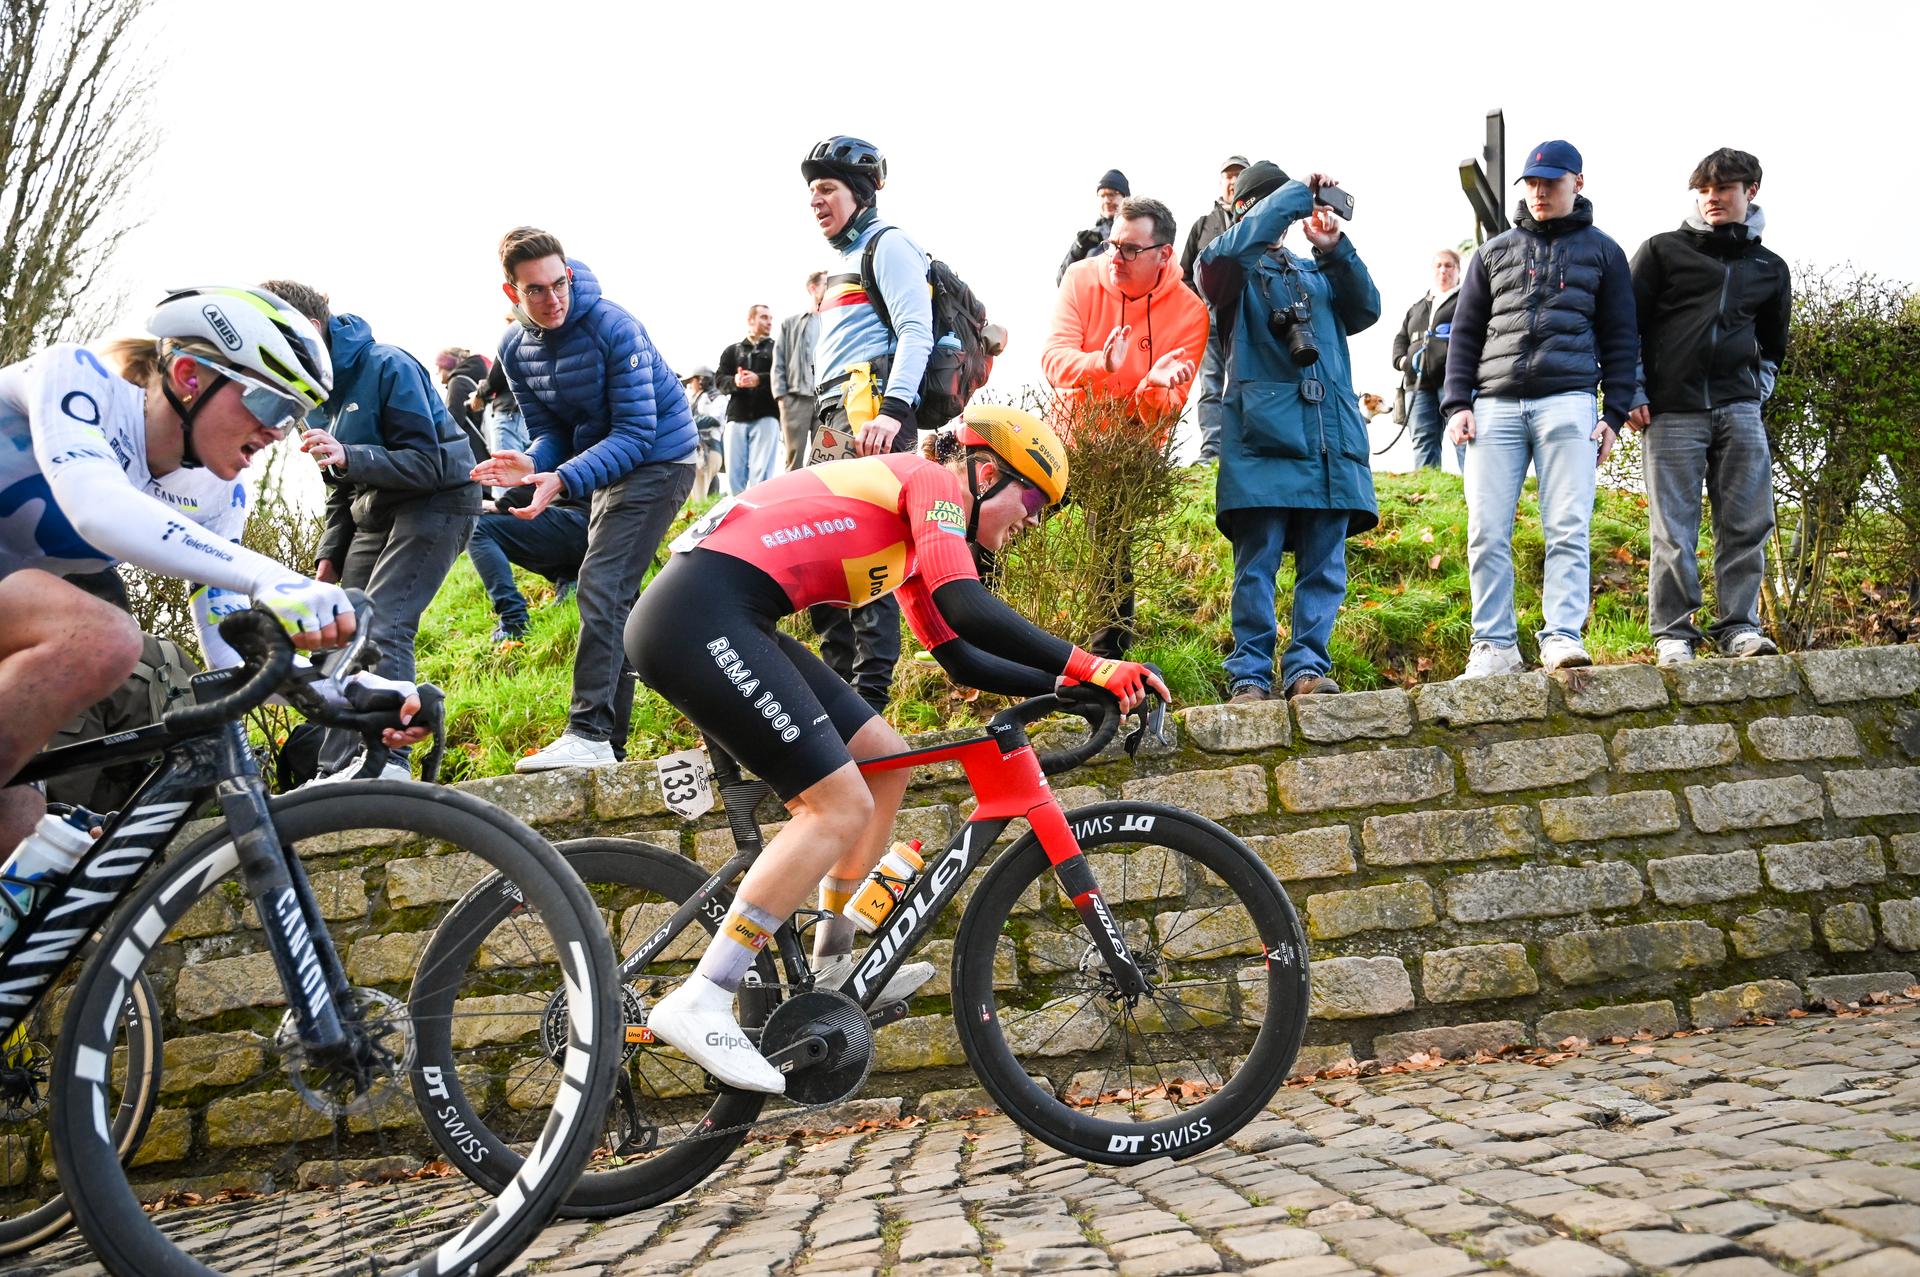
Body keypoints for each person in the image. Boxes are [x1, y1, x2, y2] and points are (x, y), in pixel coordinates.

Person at [627, 404, 1167, 1091]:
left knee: (882, 758)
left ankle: (833, 962)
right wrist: (1092, 665)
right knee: (836, 805)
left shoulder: (910, 539)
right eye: (1032, 499)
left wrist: (1070, 685)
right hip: (700, 617)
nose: (1033, 520)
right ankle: (705, 993)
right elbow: (967, 603)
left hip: (726, 613)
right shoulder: (931, 482)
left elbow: (962, 658)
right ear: (985, 472)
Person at [0, 285, 424, 856]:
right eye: (273, 405)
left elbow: (230, 651)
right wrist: (269, 576)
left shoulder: (218, 494)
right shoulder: (76, 377)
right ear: (188, 375)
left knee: (19, 819)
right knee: (101, 639)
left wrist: (352, 692)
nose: (279, 433)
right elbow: (96, 505)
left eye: (296, 415)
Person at [477, 227, 697, 771]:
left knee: (601, 584)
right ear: (512, 294)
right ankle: (607, 745)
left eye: (560, 283)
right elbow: (554, 431)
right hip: (605, 464)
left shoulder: (613, 328)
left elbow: (636, 435)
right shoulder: (513, 349)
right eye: (536, 290)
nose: (553, 299)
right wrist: (534, 463)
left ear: (569, 274)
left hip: (660, 459)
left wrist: (562, 479)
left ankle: (590, 732)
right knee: (612, 592)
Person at [265, 280, 480, 782]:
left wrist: (351, 454)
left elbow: (430, 464)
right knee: (342, 632)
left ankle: (389, 764)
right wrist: (328, 557)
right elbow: (337, 488)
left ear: (309, 330)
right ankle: (336, 767)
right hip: (370, 510)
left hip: (438, 499)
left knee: (384, 624)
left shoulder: (388, 365)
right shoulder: (309, 395)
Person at [1441, 140, 1638, 679]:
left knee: (1568, 527)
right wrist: (1457, 403)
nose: (1539, 191)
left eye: (1550, 182)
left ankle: (1562, 637)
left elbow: (1623, 338)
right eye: (1531, 182)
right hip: (1494, 406)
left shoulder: (1605, 253)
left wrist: (1614, 414)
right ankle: (1494, 645)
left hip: (1569, 402)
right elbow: (1465, 333)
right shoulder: (1493, 252)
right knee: (1485, 530)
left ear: (1578, 182)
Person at [1198, 163, 1381, 703]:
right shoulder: (1230, 272)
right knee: (1257, 564)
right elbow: (1225, 255)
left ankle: (1307, 668)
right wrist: (1293, 195)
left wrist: (1333, 247)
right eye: (1274, 204)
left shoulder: (1313, 273)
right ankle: (1249, 674)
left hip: (1328, 437)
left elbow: (1366, 307)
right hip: (1263, 439)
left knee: (1324, 565)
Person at [1628, 147, 1790, 667]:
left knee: (1747, 522)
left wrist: (1754, 393)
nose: (1712, 198)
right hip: (1671, 412)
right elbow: (1625, 326)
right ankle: (1673, 633)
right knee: (1672, 528)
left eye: (1723, 188)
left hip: (1738, 411)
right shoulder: (1662, 251)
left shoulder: (1769, 267)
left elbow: (1773, 346)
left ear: (1751, 192)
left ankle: (1740, 627)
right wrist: (1631, 390)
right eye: (1703, 190)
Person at [1041, 195, 1208, 655]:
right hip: (1066, 437)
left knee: (1110, 549)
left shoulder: (1191, 313)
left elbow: (1169, 407)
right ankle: (970, 626)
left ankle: (1107, 659)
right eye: (1112, 243)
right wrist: (1103, 363)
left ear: (1164, 255)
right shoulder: (1080, 278)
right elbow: (1054, 359)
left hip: (1126, 451)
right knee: (999, 514)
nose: (1115, 256)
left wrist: (1150, 387)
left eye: (1130, 249)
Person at [803, 136, 934, 715]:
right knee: (824, 550)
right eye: (811, 191)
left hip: (871, 408)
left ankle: (871, 700)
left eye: (827, 188)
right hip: (832, 413)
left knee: (866, 555)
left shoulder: (889, 245)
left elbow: (916, 331)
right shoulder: (839, 262)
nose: (815, 200)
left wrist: (894, 410)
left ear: (859, 193)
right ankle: (838, 694)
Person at [1180, 156, 1249, 463]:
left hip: (1247, 323)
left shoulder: (1259, 221)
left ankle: (1242, 448)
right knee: (1210, 386)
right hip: (1207, 323)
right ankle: (1211, 451)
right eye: (1229, 175)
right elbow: (1182, 275)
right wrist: (1198, 307)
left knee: (1245, 385)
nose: (1233, 180)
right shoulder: (1203, 225)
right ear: (1221, 181)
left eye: (1240, 175)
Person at [1391, 248, 1463, 471]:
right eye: (1439, 265)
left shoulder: (1466, 300)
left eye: (1449, 265)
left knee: (1462, 436)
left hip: (1453, 380)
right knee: (1423, 438)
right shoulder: (1417, 307)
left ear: (1458, 271)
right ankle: (1428, 489)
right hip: (1417, 383)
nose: (1443, 270)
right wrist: (1402, 362)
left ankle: (1472, 489)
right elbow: (1400, 338)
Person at [717, 304, 779, 492]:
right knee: (734, 475)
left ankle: (760, 516)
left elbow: (786, 376)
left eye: (770, 318)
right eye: (764, 317)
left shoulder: (778, 349)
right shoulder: (731, 351)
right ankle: (739, 514)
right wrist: (735, 381)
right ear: (751, 319)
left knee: (762, 477)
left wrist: (758, 379)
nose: (769, 322)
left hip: (767, 416)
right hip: (737, 417)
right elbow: (719, 380)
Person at [774, 272, 827, 471]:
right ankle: (792, 500)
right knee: (793, 457)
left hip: (826, 399)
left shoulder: (836, 321)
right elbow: (778, 361)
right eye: (826, 283)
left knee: (824, 459)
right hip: (796, 398)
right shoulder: (791, 323)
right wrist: (782, 397)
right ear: (813, 288)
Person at [1058, 169, 1130, 286]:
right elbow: (1061, 282)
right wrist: (1078, 251)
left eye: (1112, 194)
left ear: (1126, 197)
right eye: (1102, 196)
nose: (1106, 200)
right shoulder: (1088, 238)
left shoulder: (1138, 233)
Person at [436, 346, 491, 468]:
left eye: (439, 367)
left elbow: (453, 421)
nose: (437, 372)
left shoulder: (457, 382)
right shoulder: (472, 381)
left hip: (472, 453)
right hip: (483, 447)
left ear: (447, 365)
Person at [683, 366, 725, 504]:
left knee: (699, 498)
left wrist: (688, 423)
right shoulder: (693, 400)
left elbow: (715, 419)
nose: (690, 386)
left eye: (693, 381)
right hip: (694, 450)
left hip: (709, 449)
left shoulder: (716, 398)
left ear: (702, 380)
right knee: (692, 496)